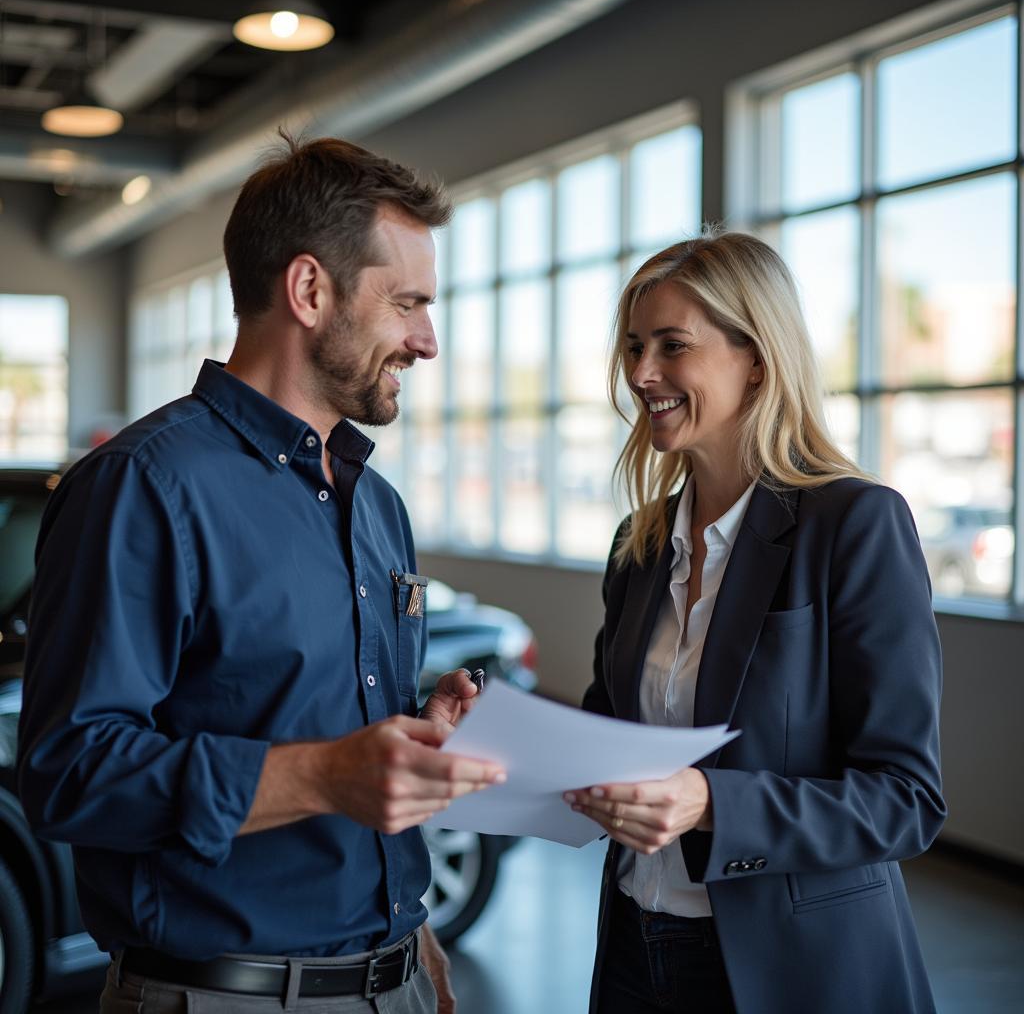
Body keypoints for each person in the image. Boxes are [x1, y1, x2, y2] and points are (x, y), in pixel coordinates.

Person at [17, 134, 506, 1014]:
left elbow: (335, 735)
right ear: (310, 290)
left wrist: (414, 925)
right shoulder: (145, 487)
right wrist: (321, 774)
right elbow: (71, 773)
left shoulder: (377, 505)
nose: (427, 340)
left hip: (394, 975)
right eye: (407, 303)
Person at [564, 232, 945, 1014]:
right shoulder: (638, 544)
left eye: (673, 346)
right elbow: (611, 736)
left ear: (758, 360)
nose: (641, 374)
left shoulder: (853, 524)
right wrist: (502, 740)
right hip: (637, 950)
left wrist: (712, 803)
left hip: (793, 972)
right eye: (634, 347)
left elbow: (905, 797)